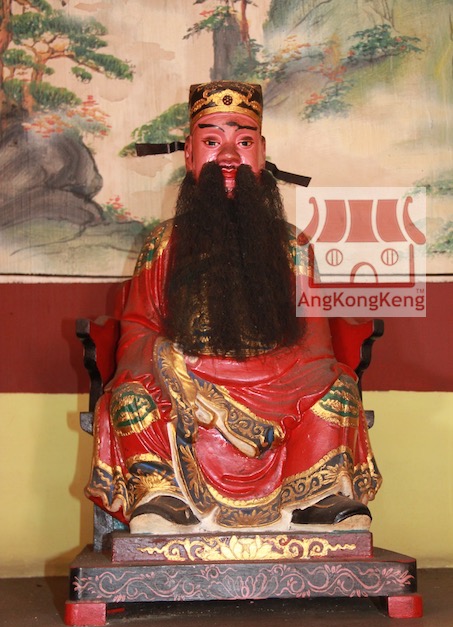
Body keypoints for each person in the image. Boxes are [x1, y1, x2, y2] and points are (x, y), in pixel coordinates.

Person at [85, 81, 382, 534]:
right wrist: (174, 364)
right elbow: (139, 330)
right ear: (190, 155)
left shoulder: (292, 246)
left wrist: (264, 372)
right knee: (129, 398)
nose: (227, 156)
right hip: (189, 380)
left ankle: (316, 496)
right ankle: (163, 497)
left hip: (279, 379)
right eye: (211, 142)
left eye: (243, 142)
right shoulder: (163, 244)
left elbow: (315, 343)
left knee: (337, 388)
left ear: (261, 154)